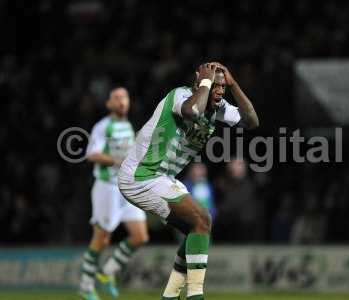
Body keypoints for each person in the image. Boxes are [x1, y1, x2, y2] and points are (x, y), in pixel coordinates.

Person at [118, 62, 259, 300]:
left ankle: (170, 296)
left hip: (163, 178)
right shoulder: (180, 95)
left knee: (199, 228)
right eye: (215, 85)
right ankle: (196, 296)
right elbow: (193, 111)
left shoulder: (217, 106)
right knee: (202, 218)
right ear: (200, 81)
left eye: (222, 87)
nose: (220, 91)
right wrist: (205, 83)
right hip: (141, 176)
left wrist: (233, 85)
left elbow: (252, 121)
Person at [79, 87, 149, 300]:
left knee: (140, 236)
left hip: (125, 187)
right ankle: (85, 286)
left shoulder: (127, 125)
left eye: (124, 97)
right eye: (117, 98)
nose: (121, 101)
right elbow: (91, 155)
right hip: (106, 188)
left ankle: (107, 272)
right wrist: (118, 160)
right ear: (109, 104)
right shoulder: (103, 126)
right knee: (102, 238)